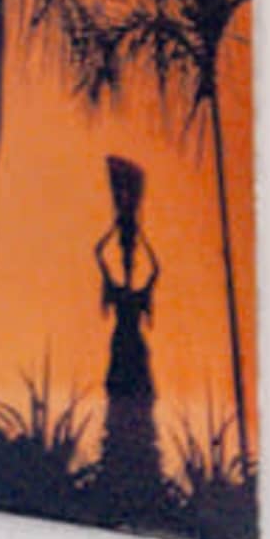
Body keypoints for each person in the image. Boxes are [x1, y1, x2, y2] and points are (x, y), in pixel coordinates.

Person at [96, 152, 165, 514]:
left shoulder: (134, 296)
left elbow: (155, 269)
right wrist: (117, 228)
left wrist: (140, 235)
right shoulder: (129, 296)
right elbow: (99, 255)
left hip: (131, 348)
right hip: (126, 347)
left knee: (134, 397)